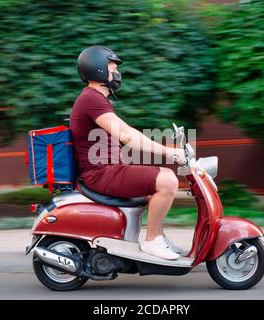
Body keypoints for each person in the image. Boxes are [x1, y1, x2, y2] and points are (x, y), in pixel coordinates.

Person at [70, 46, 186, 260]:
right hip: (100, 174)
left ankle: (158, 235)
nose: (117, 73)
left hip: (108, 170)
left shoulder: (97, 100)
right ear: (98, 70)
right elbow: (126, 135)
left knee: (156, 181)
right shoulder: (91, 99)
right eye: (113, 67)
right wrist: (170, 153)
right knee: (168, 180)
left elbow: (121, 137)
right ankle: (152, 241)